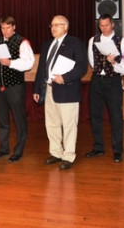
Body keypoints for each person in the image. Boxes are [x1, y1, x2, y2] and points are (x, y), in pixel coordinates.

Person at [32, 15, 88, 170]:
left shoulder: (75, 43)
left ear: (66, 27)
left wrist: (64, 77)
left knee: (69, 125)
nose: (53, 27)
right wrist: (37, 88)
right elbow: (42, 69)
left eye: (57, 24)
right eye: (51, 25)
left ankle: (69, 155)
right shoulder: (47, 45)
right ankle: (56, 152)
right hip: (49, 89)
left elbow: (82, 67)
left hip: (67, 89)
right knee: (52, 123)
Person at [0, 16, 35, 163]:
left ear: (14, 27)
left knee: (19, 119)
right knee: (2, 119)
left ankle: (19, 150)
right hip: (0, 87)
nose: (5, 31)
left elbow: (28, 63)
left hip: (15, 86)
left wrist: (10, 63)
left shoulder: (21, 42)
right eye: (3, 28)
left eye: (8, 28)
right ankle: (3, 148)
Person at [85, 14, 124, 163]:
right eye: (101, 26)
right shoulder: (93, 40)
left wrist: (113, 64)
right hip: (97, 80)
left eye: (106, 25)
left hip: (113, 80)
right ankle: (98, 147)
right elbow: (92, 61)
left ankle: (117, 150)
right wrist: (100, 69)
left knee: (116, 116)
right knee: (95, 115)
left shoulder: (123, 42)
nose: (104, 28)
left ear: (113, 25)